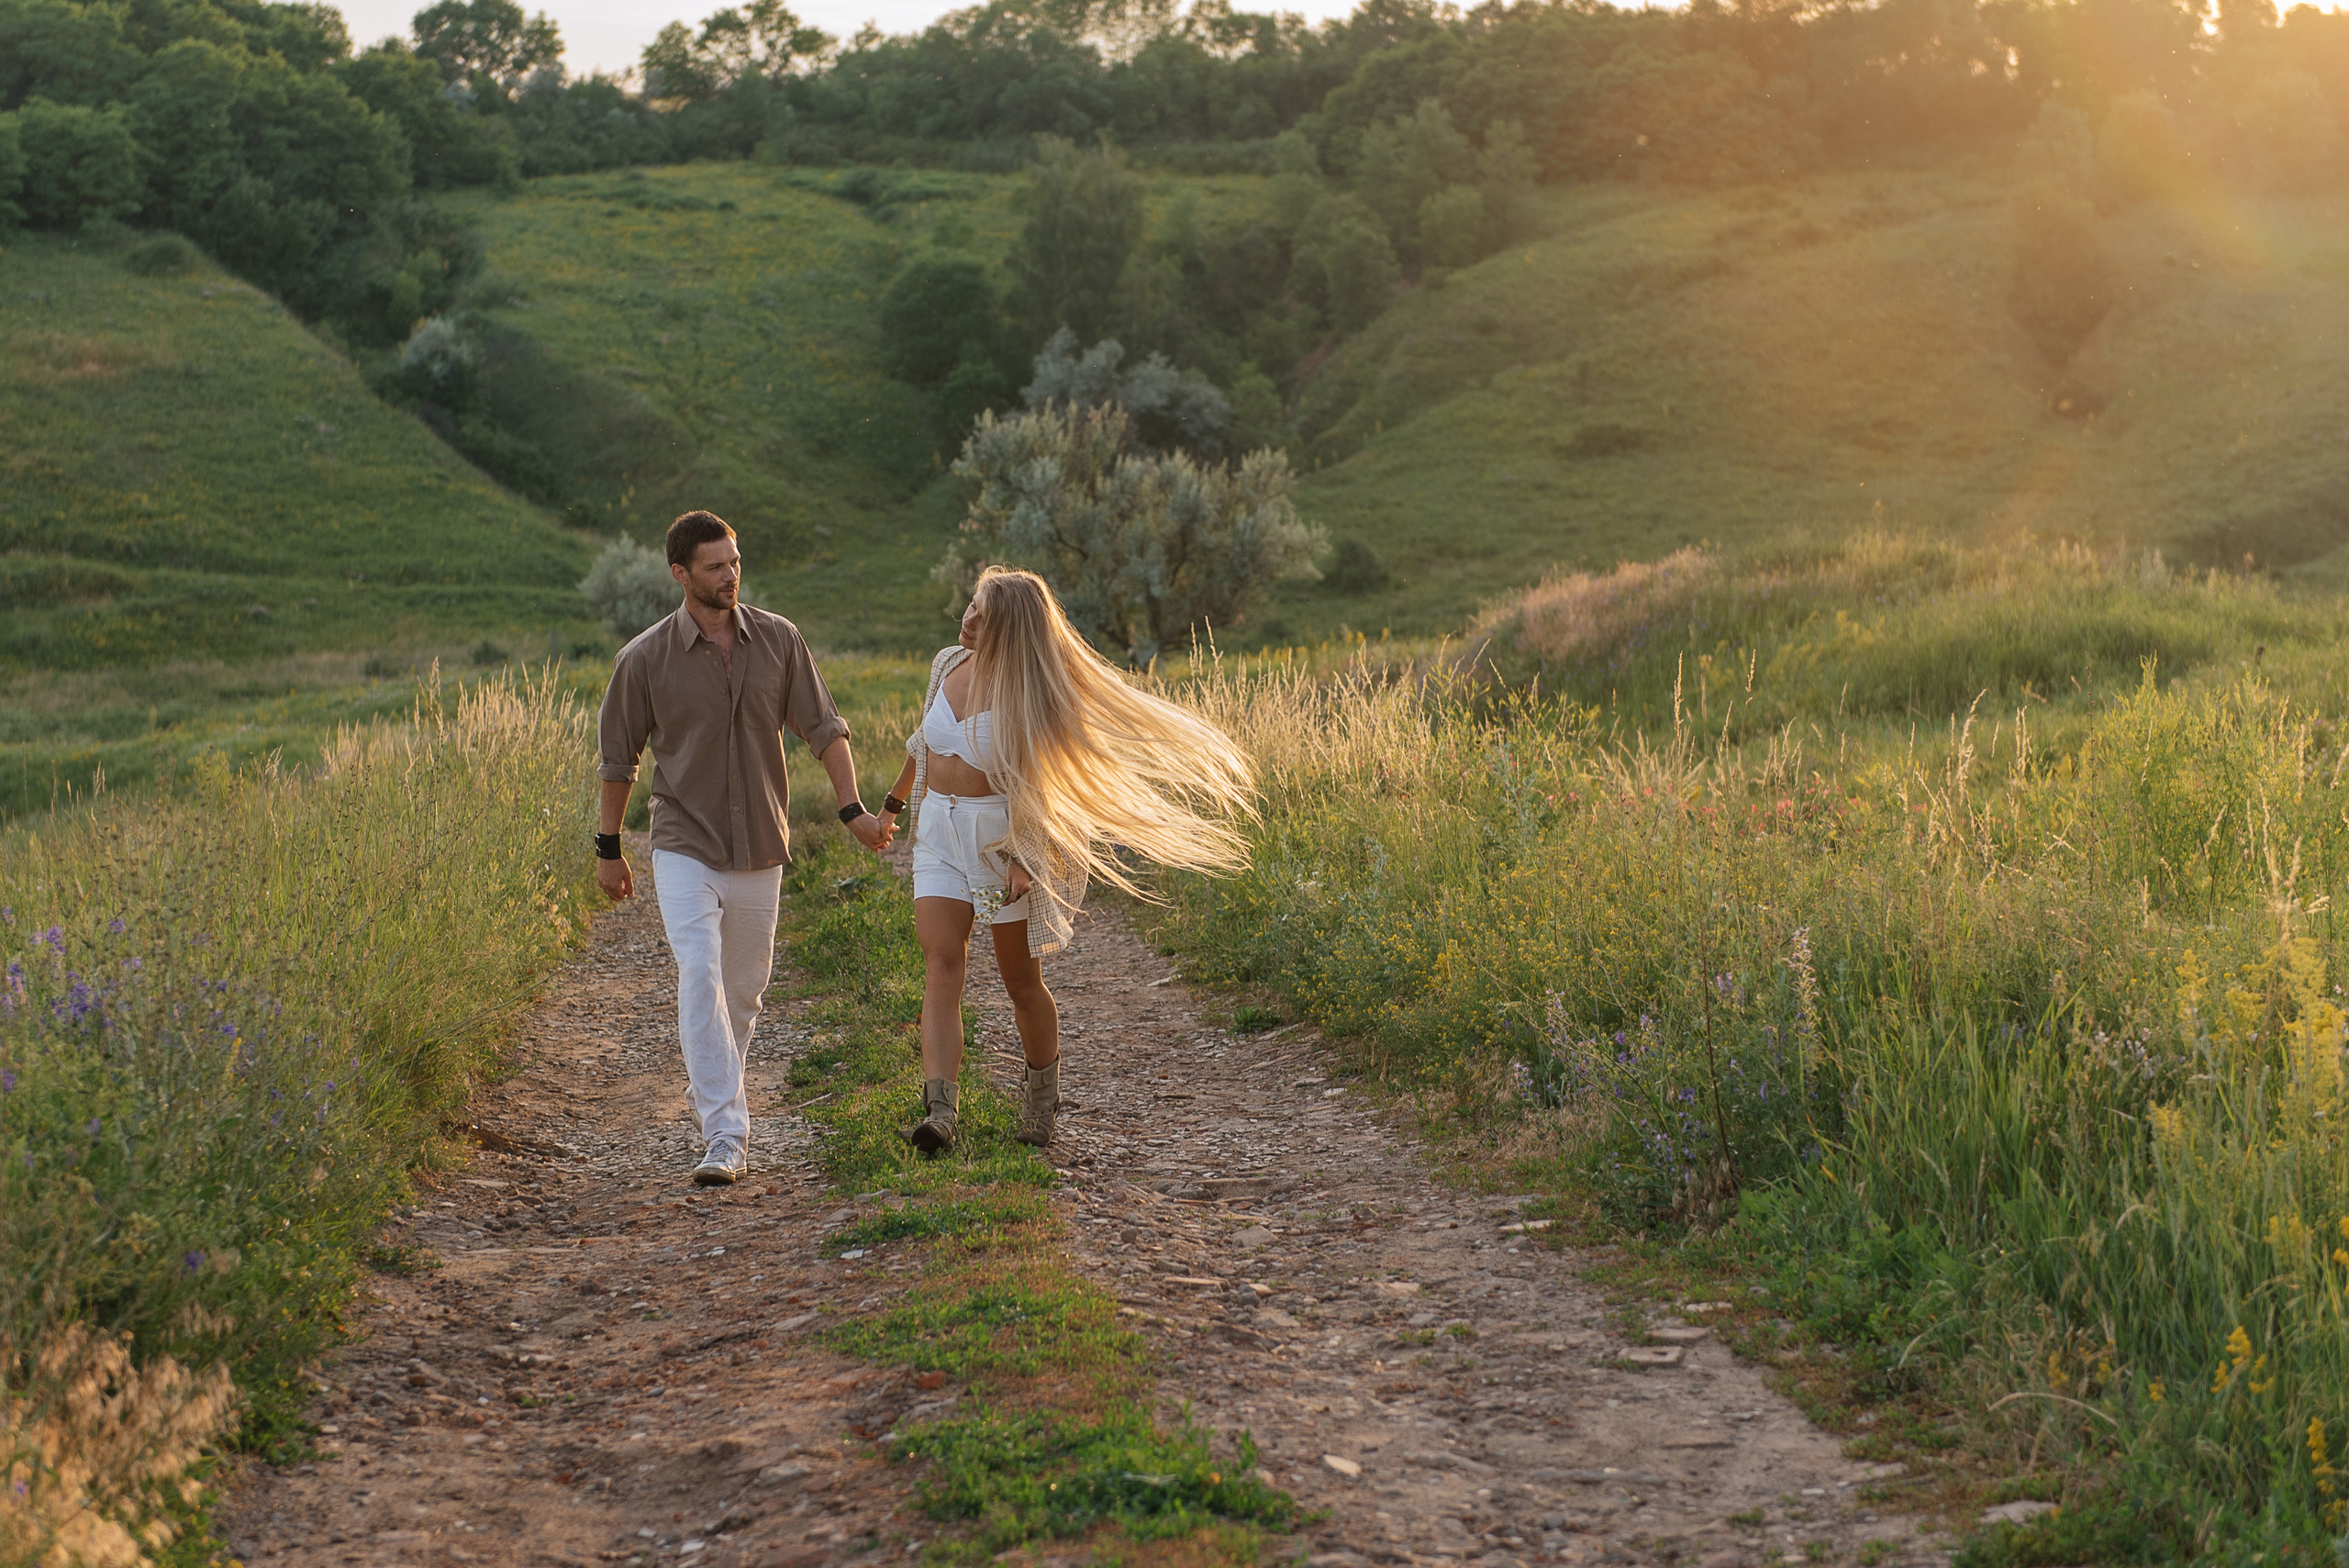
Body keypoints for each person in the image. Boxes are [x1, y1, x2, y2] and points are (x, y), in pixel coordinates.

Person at [874, 566, 1255, 1153]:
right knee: (941, 967)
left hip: (1002, 843)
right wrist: (893, 807)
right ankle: (940, 1113)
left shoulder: (1031, 695)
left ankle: (1041, 1098)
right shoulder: (947, 665)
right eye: (971, 607)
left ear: (1012, 628)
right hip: (939, 835)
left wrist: (1027, 859)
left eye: (982, 614)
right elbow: (921, 744)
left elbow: (1040, 786)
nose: (967, 619)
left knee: (1021, 983)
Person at [596, 510, 890, 1186]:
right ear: (680, 574)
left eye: (735, 562)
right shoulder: (642, 659)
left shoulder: (780, 641)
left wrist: (853, 810)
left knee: (744, 994)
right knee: (698, 971)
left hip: (761, 839)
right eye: (715, 566)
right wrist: (609, 847)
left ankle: (716, 1089)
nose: (730, 575)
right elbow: (620, 760)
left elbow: (824, 727)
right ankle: (726, 1135)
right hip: (682, 840)